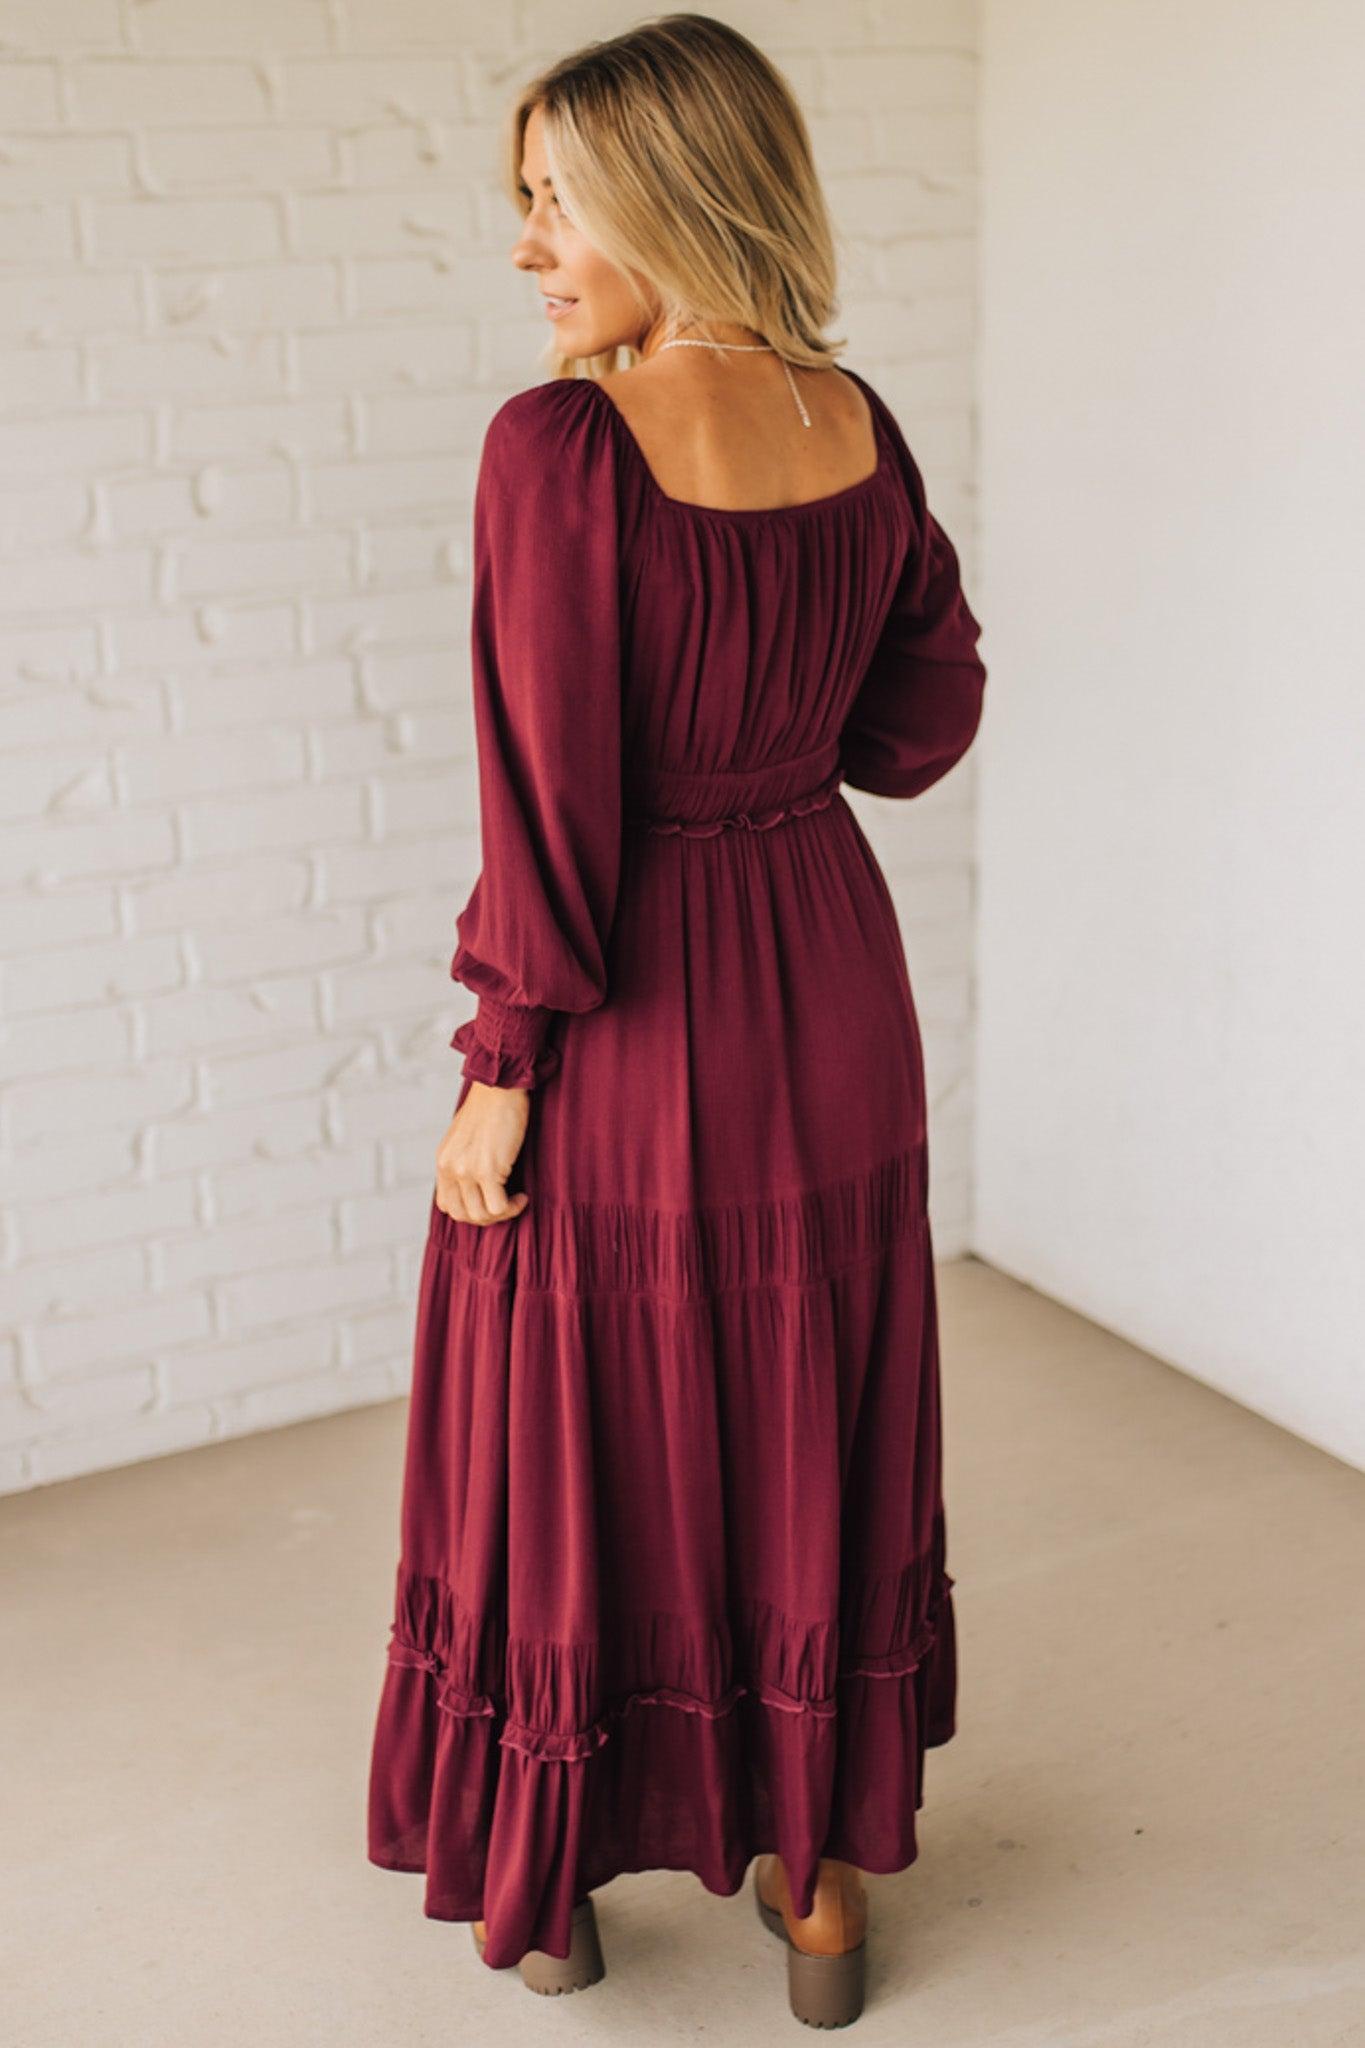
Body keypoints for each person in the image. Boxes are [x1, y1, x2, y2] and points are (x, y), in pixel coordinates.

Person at [366, 14, 986, 2029]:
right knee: (811, 1408)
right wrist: (772, 741)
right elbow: (920, 717)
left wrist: (502, 1064)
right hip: (825, 970)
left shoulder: (559, 448)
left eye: (555, 200)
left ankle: (553, 1878)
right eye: (524, 202)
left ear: (662, 192)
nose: (530, 245)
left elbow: (543, 800)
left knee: (574, 1430)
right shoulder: (853, 418)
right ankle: (812, 1886)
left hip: (631, 1006)